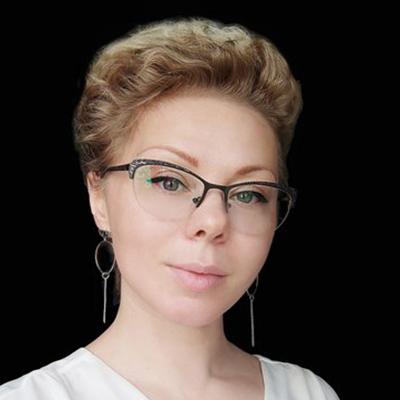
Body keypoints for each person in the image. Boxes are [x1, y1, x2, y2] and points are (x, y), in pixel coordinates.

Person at [0, 17, 339, 400]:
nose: (213, 221)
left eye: (248, 194)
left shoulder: (309, 393)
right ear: (98, 196)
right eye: (169, 181)